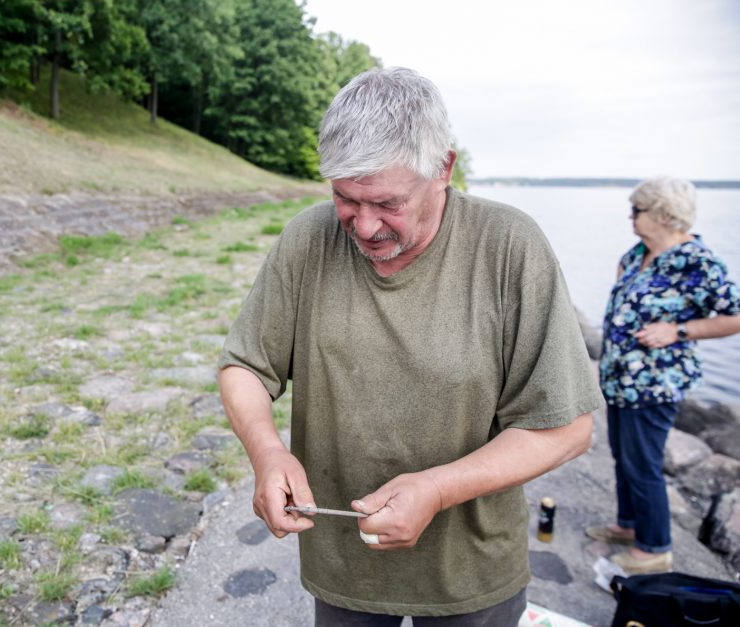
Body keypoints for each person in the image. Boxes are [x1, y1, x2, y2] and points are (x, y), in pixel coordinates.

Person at [218, 67, 603, 626]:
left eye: (388, 203)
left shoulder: (510, 247)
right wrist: (267, 452)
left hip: (470, 575)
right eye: (345, 198)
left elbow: (566, 429)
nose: (364, 225)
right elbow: (245, 367)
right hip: (344, 567)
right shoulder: (309, 238)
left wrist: (437, 488)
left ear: (443, 169)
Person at [588, 177, 740, 574]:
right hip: (621, 378)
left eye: (637, 209)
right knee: (624, 457)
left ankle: (654, 549)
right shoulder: (637, 253)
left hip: (656, 384)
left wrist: (678, 330)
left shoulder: (697, 262)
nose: (631, 216)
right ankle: (629, 525)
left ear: (664, 214)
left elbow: (734, 316)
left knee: (643, 464)